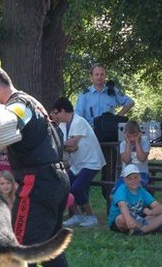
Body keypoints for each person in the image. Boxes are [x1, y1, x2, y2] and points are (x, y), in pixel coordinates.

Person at [0, 65, 69, 267]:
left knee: (18, 249)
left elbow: (12, 120)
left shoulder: (18, 105)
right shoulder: (32, 101)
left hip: (38, 181)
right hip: (55, 179)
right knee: (50, 248)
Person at [51, 98, 106, 228]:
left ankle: (91, 216)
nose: (55, 116)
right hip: (77, 164)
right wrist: (66, 145)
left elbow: (72, 144)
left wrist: (63, 145)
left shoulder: (79, 121)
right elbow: (69, 146)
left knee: (77, 188)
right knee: (63, 186)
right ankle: (77, 215)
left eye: (56, 112)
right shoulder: (63, 125)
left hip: (91, 162)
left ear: (63, 111)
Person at [108, 165, 162, 235]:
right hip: (122, 220)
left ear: (140, 177)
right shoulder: (121, 190)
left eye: (135, 177)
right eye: (129, 178)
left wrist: (151, 212)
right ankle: (151, 228)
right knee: (121, 218)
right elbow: (122, 206)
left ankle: (138, 231)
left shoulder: (142, 191)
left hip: (138, 219)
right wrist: (129, 221)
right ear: (124, 180)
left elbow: (159, 207)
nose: (133, 181)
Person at [111, 120, 151, 193]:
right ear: (125, 134)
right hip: (125, 173)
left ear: (139, 133)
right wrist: (128, 144)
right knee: (113, 194)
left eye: (135, 136)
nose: (132, 138)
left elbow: (142, 158)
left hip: (140, 173)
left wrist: (137, 142)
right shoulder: (123, 144)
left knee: (133, 190)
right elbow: (126, 160)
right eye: (129, 136)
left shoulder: (145, 142)